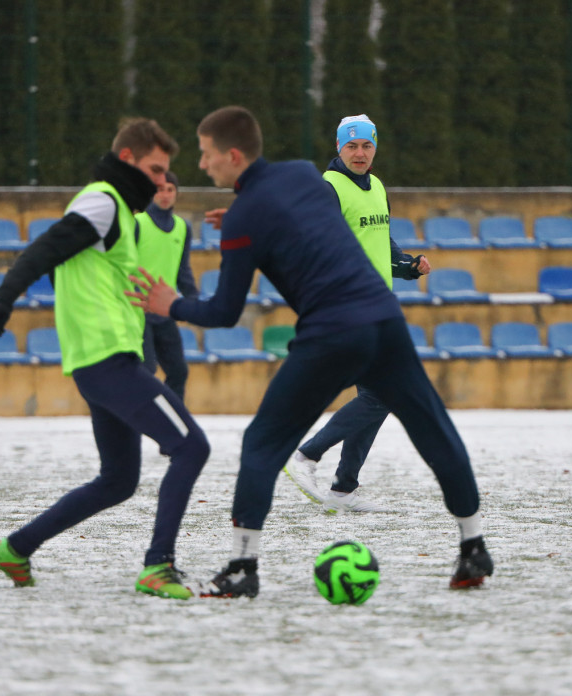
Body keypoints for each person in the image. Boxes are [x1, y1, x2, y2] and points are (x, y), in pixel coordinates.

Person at [128, 106, 492, 596]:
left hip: (332, 330)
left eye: (206, 154)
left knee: (262, 444)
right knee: (433, 427)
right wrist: (247, 218)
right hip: (384, 319)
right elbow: (294, 212)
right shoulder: (302, 172)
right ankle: (473, 547)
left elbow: (224, 312)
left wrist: (172, 304)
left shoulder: (245, 222)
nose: (201, 164)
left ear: (232, 155)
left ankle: (242, 568)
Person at [0, 118, 210, 600]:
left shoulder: (120, 210)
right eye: (154, 169)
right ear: (127, 160)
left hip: (105, 361)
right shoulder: (103, 202)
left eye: (166, 172)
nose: (161, 181)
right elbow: (46, 247)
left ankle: (15, 549)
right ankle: (158, 567)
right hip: (108, 361)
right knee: (192, 446)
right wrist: (4, 298)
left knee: (119, 480)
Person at [285, 114, 431, 514]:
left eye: (366, 145)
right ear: (338, 148)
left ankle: (344, 487)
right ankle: (306, 456)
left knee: (376, 394)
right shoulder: (328, 188)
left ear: (375, 147)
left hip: (376, 303)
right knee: (385, 392)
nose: (360, 153)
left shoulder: (377, 186)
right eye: (352, 146)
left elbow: (379, 240)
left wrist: (406, 265)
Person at [135, 171, 198, 401]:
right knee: (146, 370)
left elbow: (183, 270)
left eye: (170, 190)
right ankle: (141, 421)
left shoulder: (183, 227)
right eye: (160, 189)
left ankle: (174, 422)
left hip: (165, 310)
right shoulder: (138, 223)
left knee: (179, 371)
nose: (165, 195)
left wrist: (193, 300)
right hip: (138, 311)